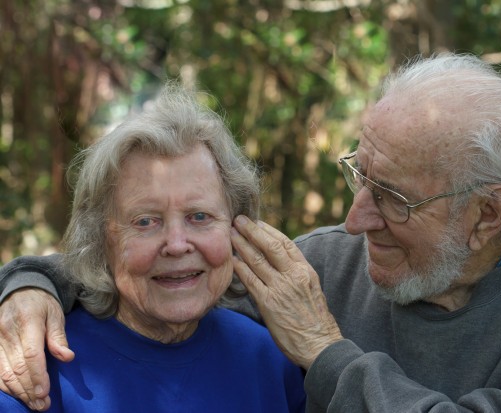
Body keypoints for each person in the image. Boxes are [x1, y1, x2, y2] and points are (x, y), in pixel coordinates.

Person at [1, 52, 501, 412]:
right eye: (360, 176)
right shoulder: (331, 261)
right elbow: (175, 272)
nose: (355, 220)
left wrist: (327, 354)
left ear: (487, 214)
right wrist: (31, 283)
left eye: (394, 199)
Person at [0, 84, 306, 412]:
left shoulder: (272, 360)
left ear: (236, 226)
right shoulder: (33, 366)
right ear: (101, 239)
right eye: (146, 221)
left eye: (199, 216)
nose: (177, 245)